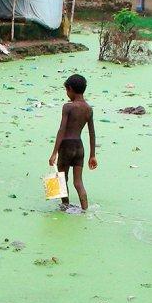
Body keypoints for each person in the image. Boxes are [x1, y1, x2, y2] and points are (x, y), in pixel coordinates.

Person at [48, 74, 97, 211]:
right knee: (78, 182)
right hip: (79, 147)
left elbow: (62, 130)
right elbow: (92, 133)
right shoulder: (88, 109)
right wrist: (92, 155)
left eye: (66, 90)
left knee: (62, 178)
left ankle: (65, 206)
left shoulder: (68, 107)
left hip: (66, 146)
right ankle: (85, 209)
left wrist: (54, 153)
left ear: (70, 89)